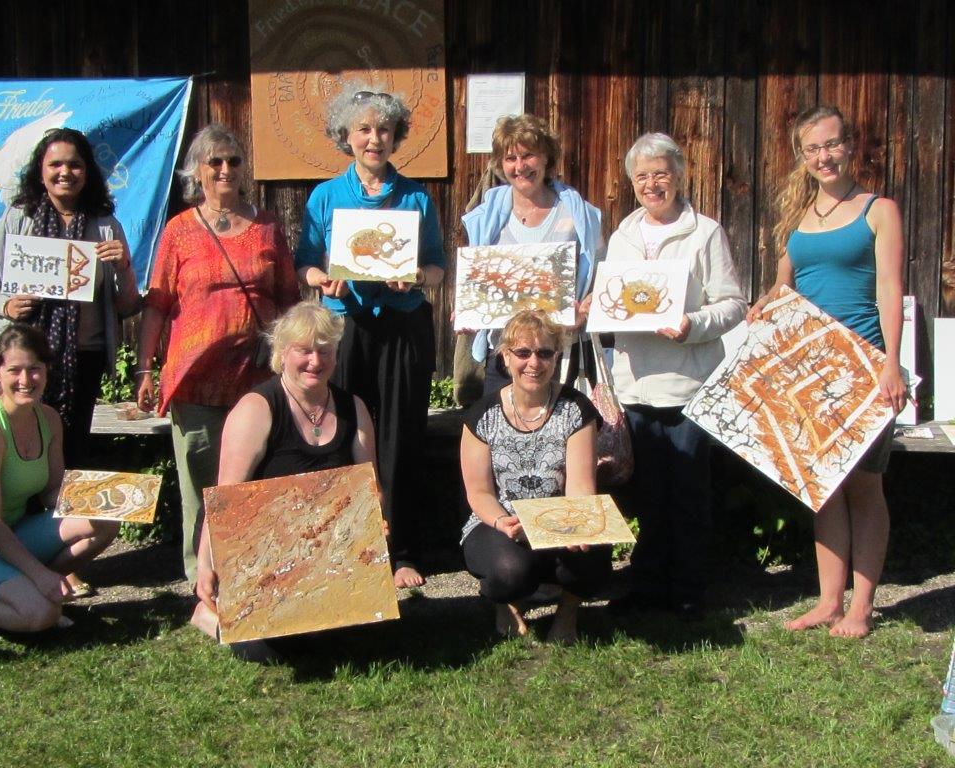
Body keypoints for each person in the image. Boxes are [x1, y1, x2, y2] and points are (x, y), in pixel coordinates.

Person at [747, 106, 906, 638]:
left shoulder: (878, 210)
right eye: (813, 148)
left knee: (864, 487)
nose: (824, 156)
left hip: (862, 367)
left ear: (850, 145)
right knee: (825, 488)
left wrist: (892, 363)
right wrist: (764, 304)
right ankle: (828, 602)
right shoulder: (797, 216)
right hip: (807, 371)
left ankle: (862, 606)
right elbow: (785, 286)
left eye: (832, 144)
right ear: (802, 156)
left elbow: (890, 289)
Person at [294, 83, 445, 589]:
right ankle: (347, 546)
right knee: (343, 433)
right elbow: (305, 262)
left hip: (403, 327)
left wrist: (417, 276)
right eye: (364, 129)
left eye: (384, 129)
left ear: (396, 136)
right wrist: (321, 279)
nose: (374, 138)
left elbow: (438, 267)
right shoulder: (325, 195)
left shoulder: (416, 196)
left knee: (401, 437)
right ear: (347, 135)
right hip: (346, 326)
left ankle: (401, 550)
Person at [136, 124, 300, 586]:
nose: (226, 169)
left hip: (257, 378)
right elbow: (157, 304)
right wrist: (145, 367)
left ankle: (255, 573)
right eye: (215, 162)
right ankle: (202, 580)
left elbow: (289, 299)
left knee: (257, 477)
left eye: (234, 160)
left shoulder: (268, 227)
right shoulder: (179, 231)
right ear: (198, 172)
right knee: (200, 483)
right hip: (197, 380)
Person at [602, 132, 746, 619]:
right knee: (646, 495)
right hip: (635, 383)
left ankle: (687, 589)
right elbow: (616, 299)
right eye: (642, 176)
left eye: (661, 173)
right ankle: (646, 584)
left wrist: (691, 326)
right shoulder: (623, 235)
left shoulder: (705, 233)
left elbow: (733, 304)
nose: (652, 184)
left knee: (687, 493)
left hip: (687, 384)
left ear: (680, 176)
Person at [192, 302, 377, 652]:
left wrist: (376, 530)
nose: (315, 361)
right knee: (267, 651)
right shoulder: (256, 408)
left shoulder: (354, 408)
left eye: (324, 351)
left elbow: (370, 490)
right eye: (304, 351)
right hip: (257, 545)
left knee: (353, 641)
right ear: (282, 353)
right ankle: (209, 616)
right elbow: (224, 499)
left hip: (324, 543)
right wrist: (205, 565)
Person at [0, 324, 118, 638]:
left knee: (107, 520)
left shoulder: (49, 418)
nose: (25, 380)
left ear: (47, 370)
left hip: (13, 532)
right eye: (14, 370)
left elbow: (52, 492)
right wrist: (39, 574)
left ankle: (41, 588)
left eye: (34, 369)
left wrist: (106, 497)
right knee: (40, 614)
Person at [0, 127, 141, 470]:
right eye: (55, 164)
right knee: (17, 452)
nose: (65, 172)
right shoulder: (18, 218)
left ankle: (59, 507)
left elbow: (127, 306)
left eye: (75, 165)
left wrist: (123, 266)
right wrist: (6, 305)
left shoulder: (105, 226)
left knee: (69, 452)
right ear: (40, 172)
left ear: (87, 172)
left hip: (82, 361)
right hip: (23, 360)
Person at [460, 310, 611, 643]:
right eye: (523, 352)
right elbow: (479, 492)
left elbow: (581, 485)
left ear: (556, 357)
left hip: (559, 519)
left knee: (594, 554)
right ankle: (505, 604)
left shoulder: (577, 409)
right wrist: (502, 522)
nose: (534, 363)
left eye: (544, 353)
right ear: (505, 356)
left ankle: (568, 614)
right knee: (509, 571)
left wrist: (577, 524)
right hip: (500, 520)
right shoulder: (481, 415)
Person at [462, 114, 604, 394]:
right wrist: (469, 309)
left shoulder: (580, 216)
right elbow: (477, 282)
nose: (520, 166)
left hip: (560, 354)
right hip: (505, 354)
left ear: (546, 158)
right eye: (510, 158)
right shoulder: (485, 219)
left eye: (529, 155)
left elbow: (601, 278)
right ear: (500, 164)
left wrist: (584, 311)